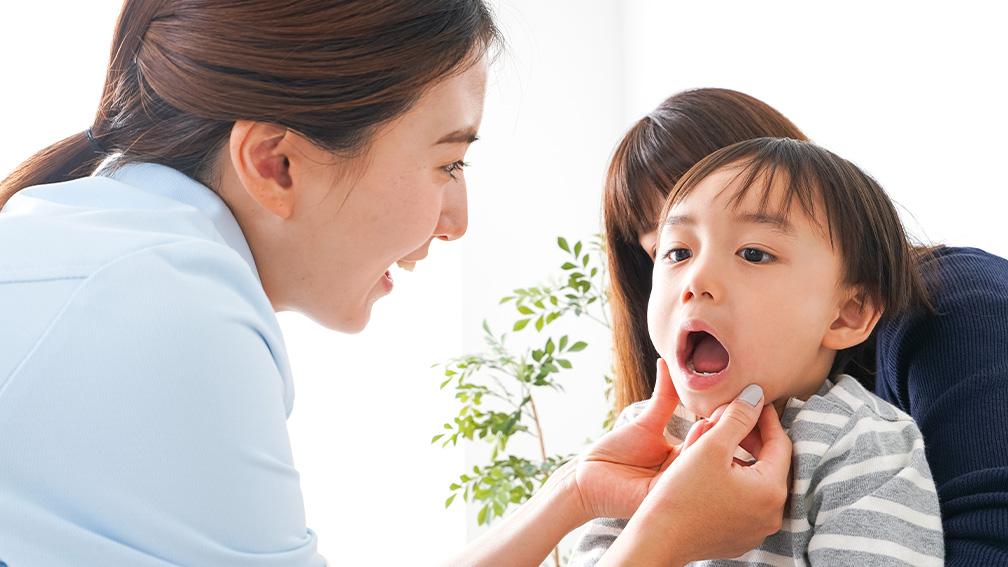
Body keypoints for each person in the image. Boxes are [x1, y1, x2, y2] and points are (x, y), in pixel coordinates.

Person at [0, 3, 794, 566]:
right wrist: (659, 542)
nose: (459, 218)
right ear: (276, 163)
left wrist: (578, 492)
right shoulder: (170, 309)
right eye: (449, 161)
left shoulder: (110, 247)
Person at [600, 88, 1008, 565]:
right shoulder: (643, 433)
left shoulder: (868, 441)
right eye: (674, 251)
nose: (698, 280)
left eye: (752, 252)